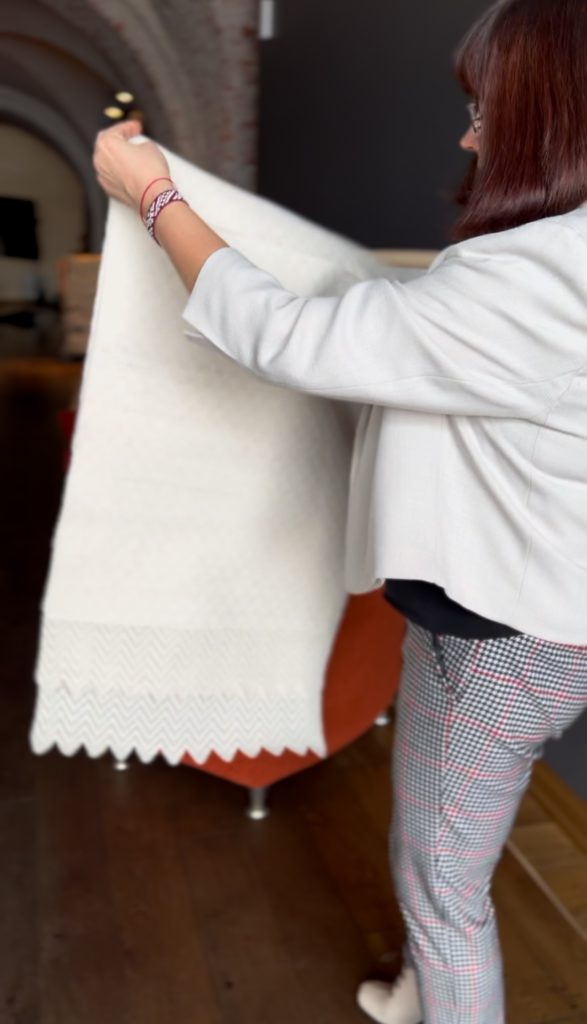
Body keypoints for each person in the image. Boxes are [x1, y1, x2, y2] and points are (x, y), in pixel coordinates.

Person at [93, 1, 587, 1021]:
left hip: (502, 637)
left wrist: (153, 194)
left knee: (442, 889)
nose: (468, 137)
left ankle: (432, 994)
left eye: (483, 111)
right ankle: (417, 985)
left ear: (551, 116)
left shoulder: (536, 279)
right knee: (445, 851)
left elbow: (279, 337)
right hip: (528, 621)